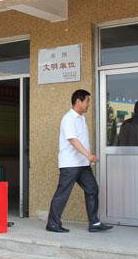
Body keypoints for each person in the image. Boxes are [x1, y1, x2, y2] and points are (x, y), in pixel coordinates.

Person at [46, 89, 113, 233]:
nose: (88, 104)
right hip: (70, 164)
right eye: (87, 101)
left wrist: (87, 158)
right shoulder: (68, 119)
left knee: (92, 189)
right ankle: (52, 223)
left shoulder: (81, 118)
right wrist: (89, 155)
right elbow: (73, 140)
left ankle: (94, 223)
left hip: (82, 164)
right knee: (63, 193)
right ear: (78, 101)